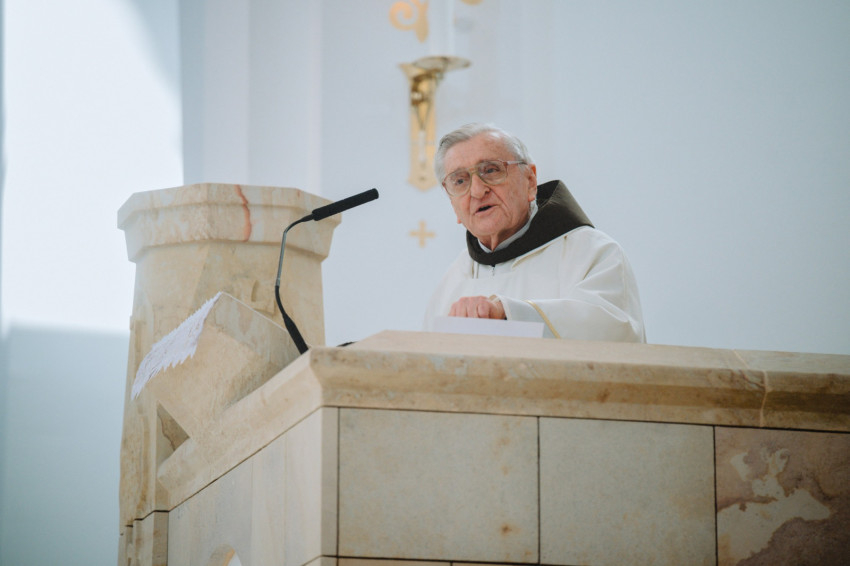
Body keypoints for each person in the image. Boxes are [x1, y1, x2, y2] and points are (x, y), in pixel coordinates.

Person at [424, 123, 646, 342]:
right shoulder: (452, 280)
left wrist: (509, 314)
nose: (477, 190)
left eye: (491, 170)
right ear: (453, 205)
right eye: (460, 181)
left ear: (530, 181)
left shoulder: (593, 254)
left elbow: (614, 333)